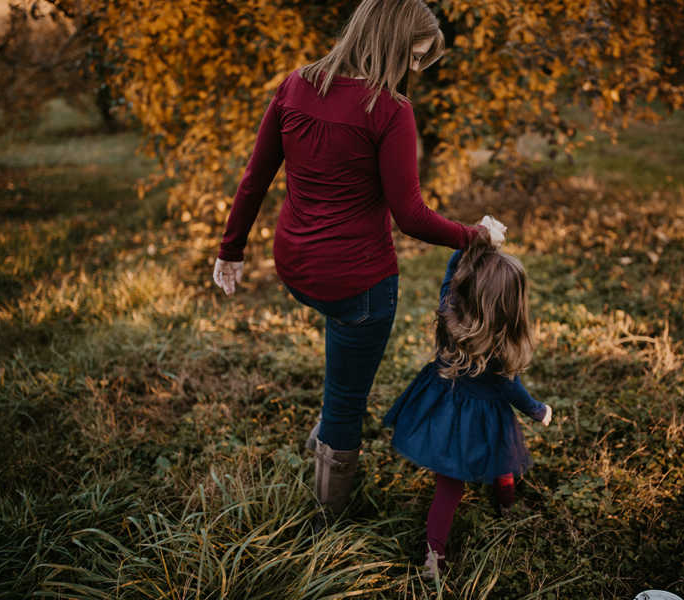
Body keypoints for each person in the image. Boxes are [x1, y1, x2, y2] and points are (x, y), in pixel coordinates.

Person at [211, 0, 503, 514]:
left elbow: (255, 177)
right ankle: (330, 518)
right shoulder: (389, 110)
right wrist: (474, 234)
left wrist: (231, 250)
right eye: (414, 58)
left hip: (297, 267)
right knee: (347, 398)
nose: (415, 71)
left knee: (340, 341)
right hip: (357, 283)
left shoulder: (296, 84)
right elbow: (410, 215)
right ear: (390, 42)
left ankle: (325, 428)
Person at [383, 230, 553, 579]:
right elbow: (515, 394)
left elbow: (450, 276)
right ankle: (505, 506)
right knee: (502, 458)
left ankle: (435, 554)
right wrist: (538, 410)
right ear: (511, 307)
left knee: (449, 486)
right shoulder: (500, 352)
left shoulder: (450, 317)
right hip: (483, 422)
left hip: (441, 411)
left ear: (467, 291)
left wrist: (468, 247)